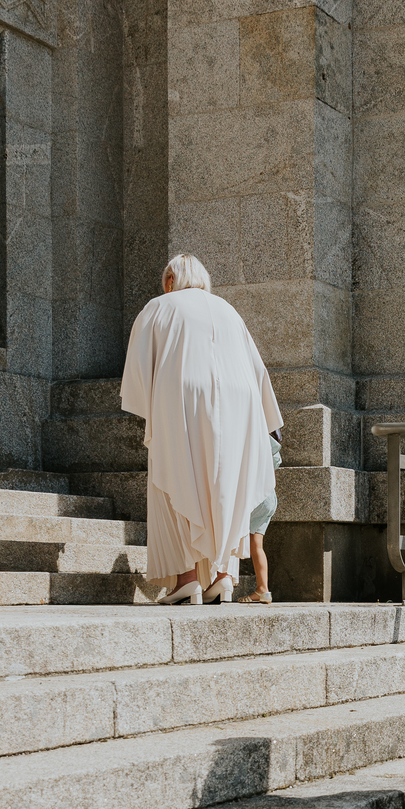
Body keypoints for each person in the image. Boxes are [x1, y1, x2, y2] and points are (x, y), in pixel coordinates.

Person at [121, 254, 282, 604]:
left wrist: (151, 404)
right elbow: (257, 368)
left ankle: (188, 579)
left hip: (183, 392)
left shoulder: (160, 305)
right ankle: (223, 576)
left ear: (170, 280)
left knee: (179, 476)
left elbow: (138, 366)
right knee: (227, 484)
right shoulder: (228, 310)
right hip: (241, 398)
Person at [241, 432, 283, 603]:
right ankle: (262, 589)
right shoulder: (274, 447)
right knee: (257, 545)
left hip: (257, 496)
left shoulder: (256, 439)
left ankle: (223, 578)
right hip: (270, 497)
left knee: (235, 535)